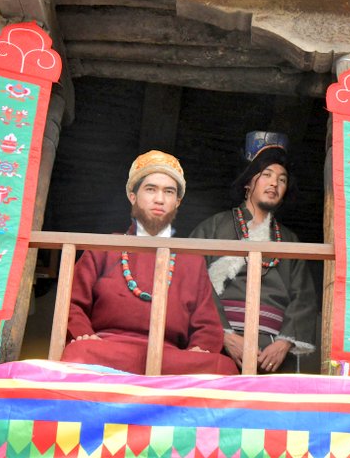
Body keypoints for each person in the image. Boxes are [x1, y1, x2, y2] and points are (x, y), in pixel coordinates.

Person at [62, 150, 237, 375]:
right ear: (133, 196)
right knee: (81, 351)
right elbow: (72, 302)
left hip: (170, 356)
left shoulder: (191, 259)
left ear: (177, 202)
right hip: (107, 348)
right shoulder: (105, 246)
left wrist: (199, 349)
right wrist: (83, 333)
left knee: (222, 367)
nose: (160, 199)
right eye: (150, 189)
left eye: (169, 192)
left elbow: (208, 324)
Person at [190, 132, 317, 373]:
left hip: (274, 352)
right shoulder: (214, 227)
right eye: (266, 175)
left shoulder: (289, 240)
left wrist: (284, 342)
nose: (274, 184)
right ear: (248, 182)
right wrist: (223, 334)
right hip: (218, 343)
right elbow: (191, 281)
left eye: (282, 179)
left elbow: (304, 298)